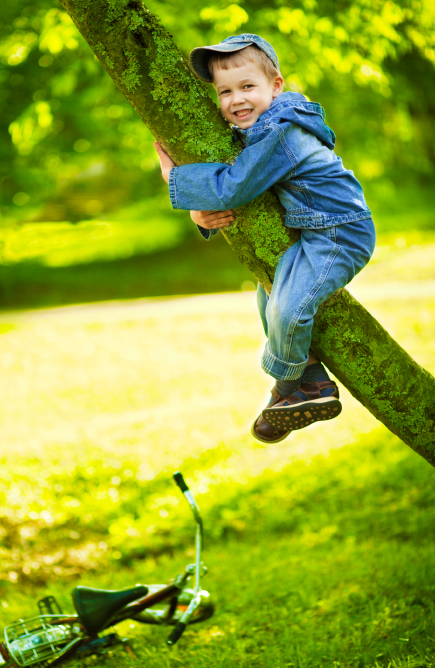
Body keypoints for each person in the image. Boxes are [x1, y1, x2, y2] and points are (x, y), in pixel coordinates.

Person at [153, 33, 375, 444]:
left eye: (247, 87)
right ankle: (312, 382)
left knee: (288, 312)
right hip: (310, 232)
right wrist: (201, 213)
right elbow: (242, 185)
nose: (236, 100)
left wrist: (173, 178)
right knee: (269, 296)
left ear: (276, 86)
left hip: (339, 232)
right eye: (225, 91)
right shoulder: (261, 130)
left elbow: (235, 186)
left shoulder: (284, 131)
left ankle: (285, 391)